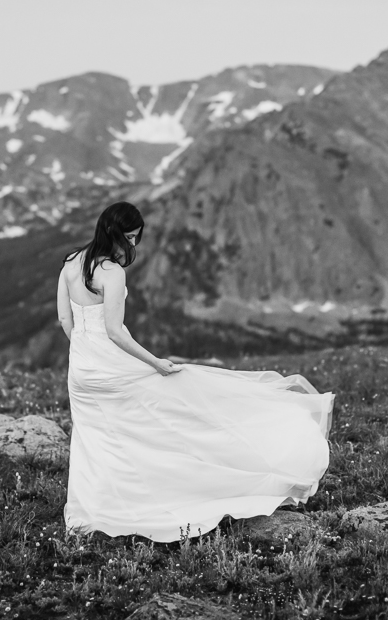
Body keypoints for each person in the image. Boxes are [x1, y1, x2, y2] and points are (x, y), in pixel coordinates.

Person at [57, 201, 333, 542]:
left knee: (95, 437)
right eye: (131, 236)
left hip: (81, 369)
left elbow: (65, 320)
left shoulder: (71, 262)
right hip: (111, 366)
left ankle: (94, 511)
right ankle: (183, 486)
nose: (133, 244)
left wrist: (85, 350)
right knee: (167, 412)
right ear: (117, 233)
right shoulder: (112, 272)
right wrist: (155, 362)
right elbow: (115, 331)